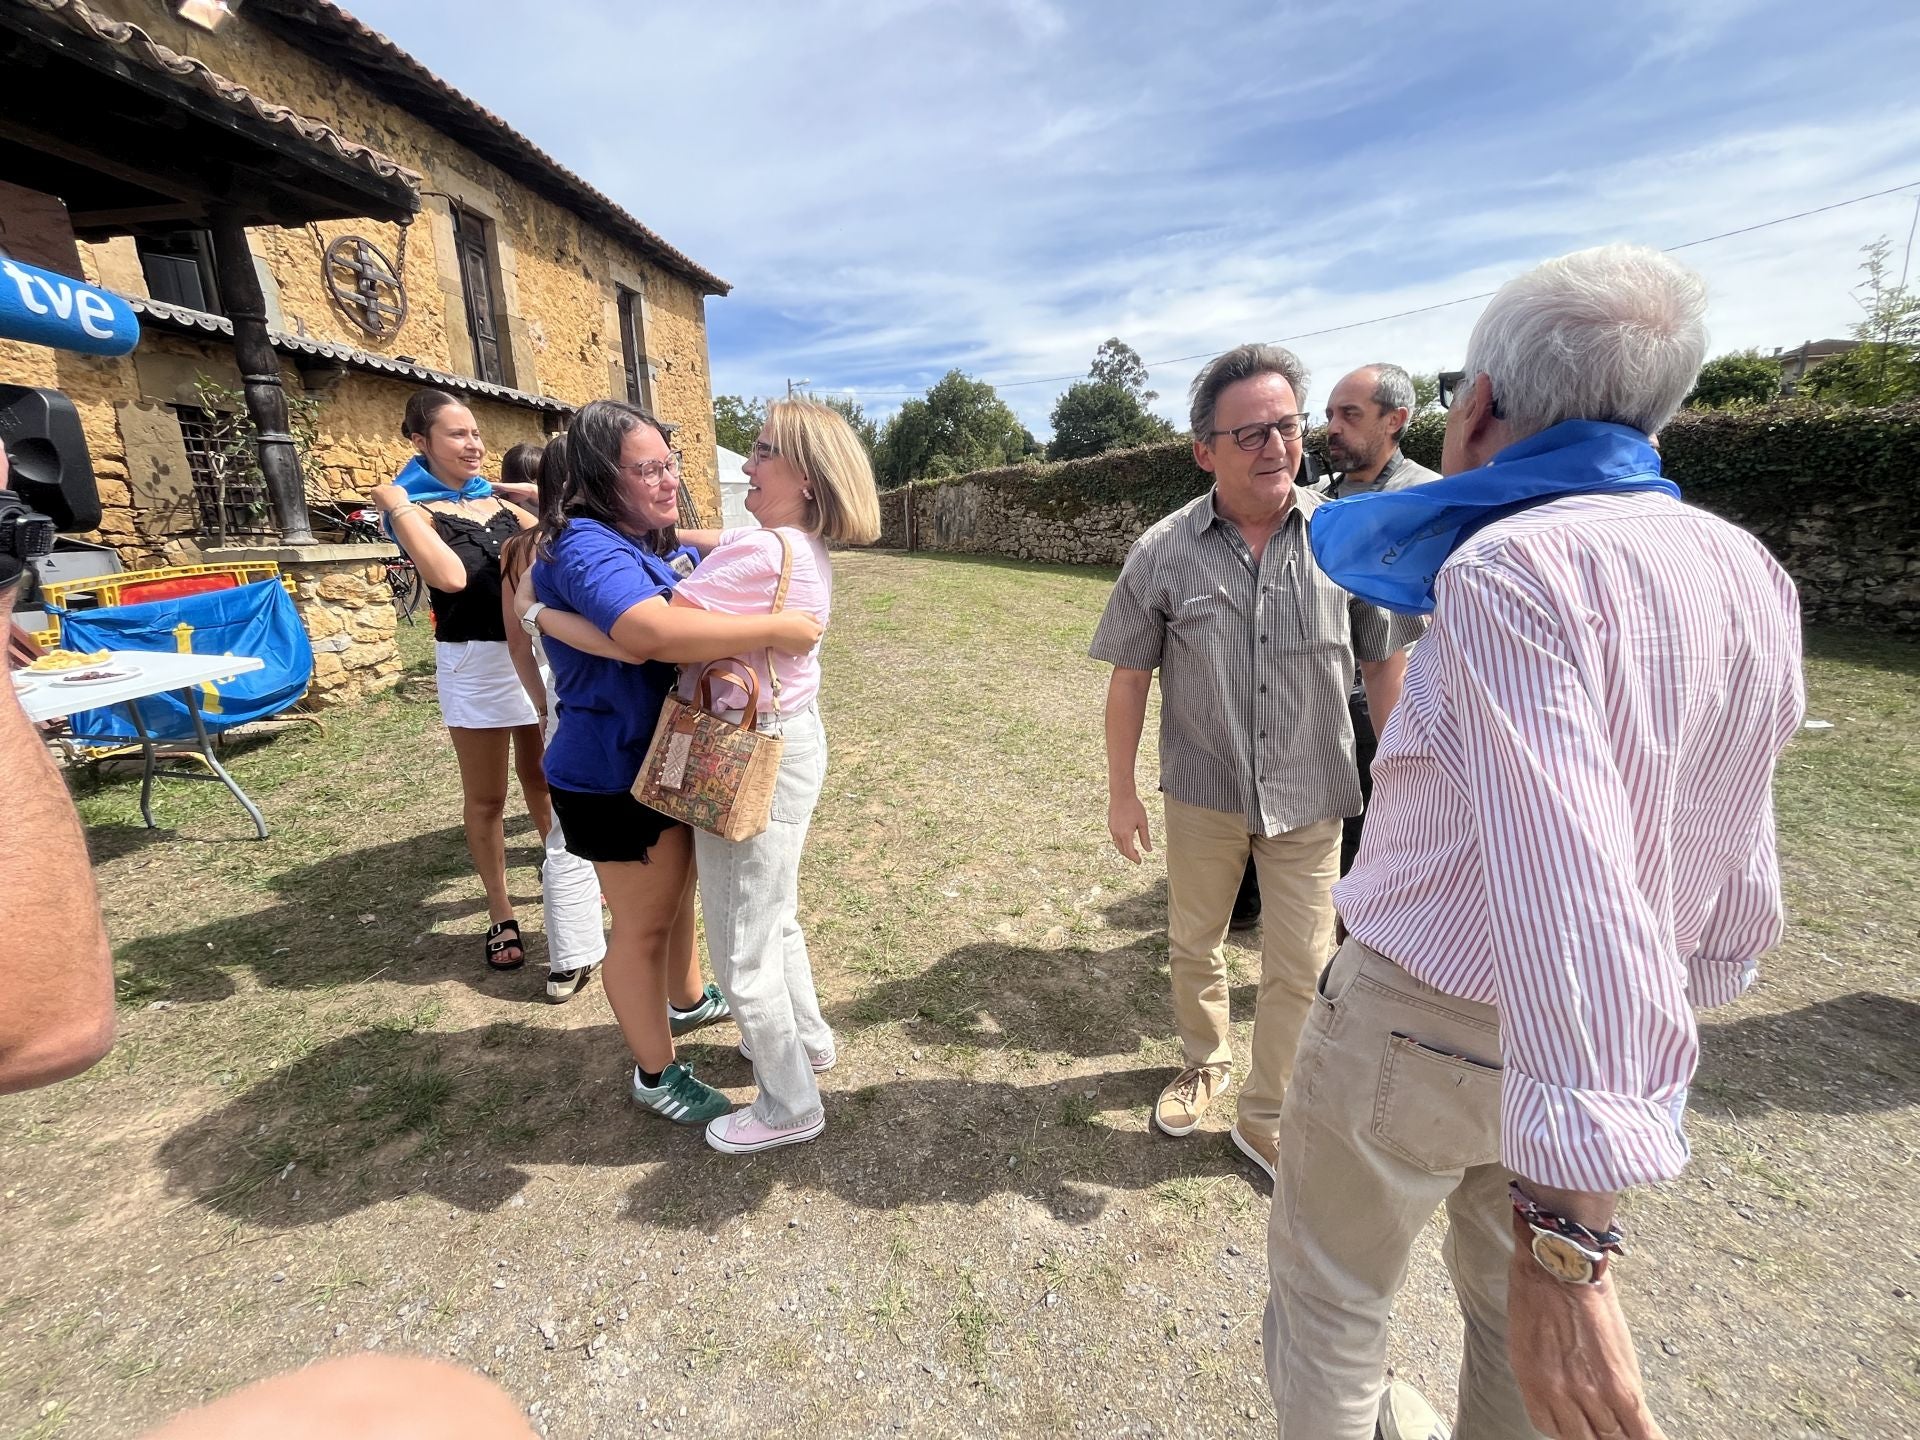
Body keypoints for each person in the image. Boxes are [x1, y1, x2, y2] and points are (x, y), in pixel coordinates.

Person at [1269, 245, 1805, 1440]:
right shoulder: (1751, 571)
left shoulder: (1513, 565)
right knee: (1508, 1326)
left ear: (1479, 405)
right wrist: (1687, 988)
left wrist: (1574, 1232)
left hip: (1427, 1007)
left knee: (1334, 1295)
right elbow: (1734, 824)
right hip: (1603, 1020)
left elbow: (1566, 879)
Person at [1091, 344, 1421, 1184]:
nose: (1276, 446)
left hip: (1315, 794)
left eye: (1286, 426)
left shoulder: (1345, 539)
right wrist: (1121, 793)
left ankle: (1266, 1113)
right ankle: (1205, 1062)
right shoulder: (1162, 552)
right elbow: (1131, 679)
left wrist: (1407, 781)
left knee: (1301, 964)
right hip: (1205, 791)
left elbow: (1384, 666)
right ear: (1205, 450)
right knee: (1194, 942)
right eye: (1250, 434)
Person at [531, 399, 879, 1154]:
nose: (740, 466)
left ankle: (789, 1103)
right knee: (746, 919)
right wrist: (542, 613)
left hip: (723, 751)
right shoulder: (793, 544)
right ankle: (777, 1050)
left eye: (759, 453)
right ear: (601, 475)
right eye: (648, 467)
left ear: (806, 477)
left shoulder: (758, 550)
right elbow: (648, 629)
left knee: (741, 937)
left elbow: (649, 636)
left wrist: (540, 618)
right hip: (676, 756)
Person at [371, 390, 549, 972]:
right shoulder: (415, 509)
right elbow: (448, 576)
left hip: (534, 654)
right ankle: (501, 911)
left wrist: (541, 499)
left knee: (546, 779)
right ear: (420, 442)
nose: (473, 445)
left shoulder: (498, 505)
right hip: (474, 663)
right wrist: (394, 504)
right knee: (489, 797)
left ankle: (564, 875)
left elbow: (563, 545)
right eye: (456, 434)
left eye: (475, 433)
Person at [498, 437, 607, 1002]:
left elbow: (516, 643)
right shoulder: (599, 542)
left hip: (558, 696)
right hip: (600, 697)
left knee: (565, 836)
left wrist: (540, 704)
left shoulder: (519, 549)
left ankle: (568, 959)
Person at [1321, 363, 1439, 877]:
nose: (1332, 427)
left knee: (1372, 817)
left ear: (1396, 420)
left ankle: (1352, 921)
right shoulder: (1321, 502)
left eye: (1350, 414)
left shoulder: (1428, 501)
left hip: (1386, 698)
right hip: (1318, 688)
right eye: (1329, 415)